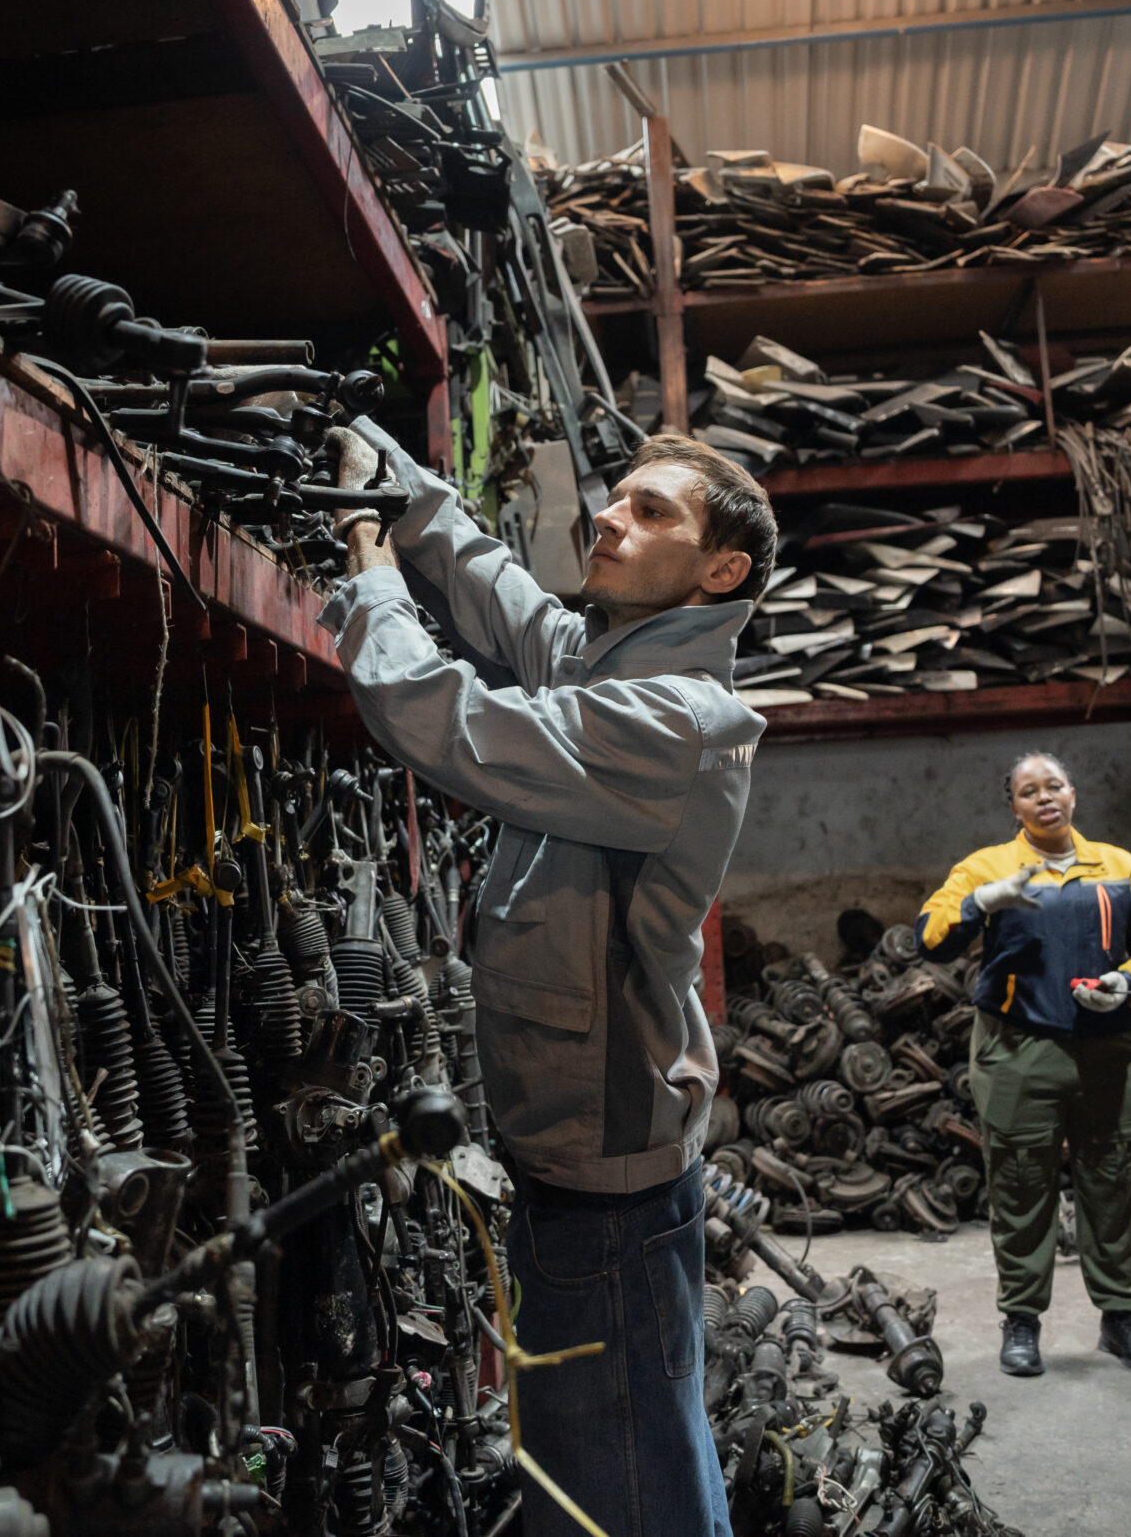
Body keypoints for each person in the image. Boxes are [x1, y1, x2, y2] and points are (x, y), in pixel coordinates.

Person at [319, 418, 777, 1537]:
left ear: (722, 572)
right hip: (582, 1146)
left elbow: (440, 718)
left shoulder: (669, 721)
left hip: (606, 1169)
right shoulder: (616, 665)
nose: (608, 518)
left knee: (611, 1472)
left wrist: (369, 556)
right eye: (617, 497)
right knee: (639, 1439)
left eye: (651, 511)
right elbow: (508, 601)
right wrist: (398, 478)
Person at [917, 751, 1131, 1377]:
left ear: (1073, 794)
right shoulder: (986, 868)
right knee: (1019, 1187)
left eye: (1054, 785)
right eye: (1029, 791)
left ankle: (1121, 1317)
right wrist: (983, 900)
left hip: (1111, 1050)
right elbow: (929, 937)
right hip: (1019, 1051)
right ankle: (1021, 1321)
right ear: (1013, 807)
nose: (1044, 798)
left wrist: (1126, 982)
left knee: (1113, 1183)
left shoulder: (1122, 869)